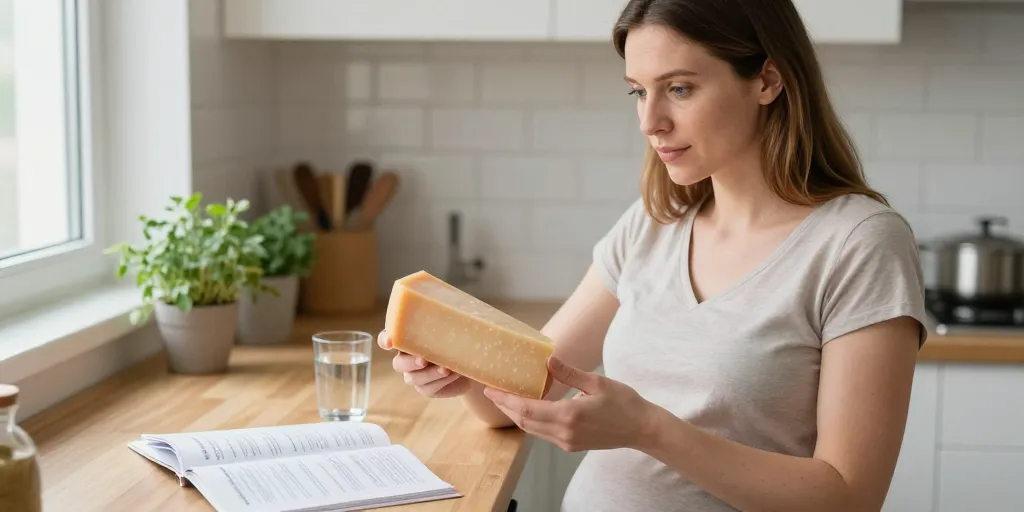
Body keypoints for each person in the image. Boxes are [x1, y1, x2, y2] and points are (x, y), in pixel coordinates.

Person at [377, 0, 928, 510]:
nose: (650, 121)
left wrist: (648, 429)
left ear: (767, 79)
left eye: (680, 89)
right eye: (639, 91)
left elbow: (850, 496)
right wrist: (462, 374)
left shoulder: (859, 243)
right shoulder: (651, 226)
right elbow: (533, 391)